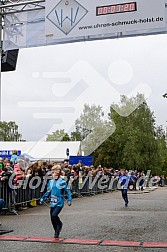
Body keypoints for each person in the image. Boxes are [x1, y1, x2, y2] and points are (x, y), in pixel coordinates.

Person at [40, 165, 72, 238]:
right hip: (52, 202)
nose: (55, 174)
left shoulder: (62, 182)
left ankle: (59, 224)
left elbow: (68, 191)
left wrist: (69, 200)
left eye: (57, 173)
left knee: (54, 215)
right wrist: (43, 198)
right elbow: (48, 192)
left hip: (59, 202)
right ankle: (56, 231)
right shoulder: (50, 182)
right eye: (54, 173)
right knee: (52, 218)